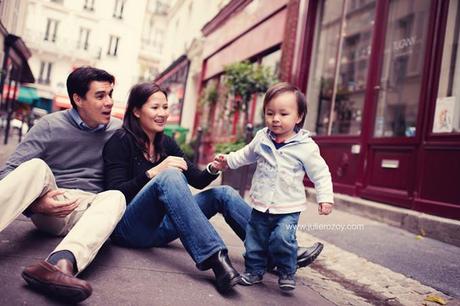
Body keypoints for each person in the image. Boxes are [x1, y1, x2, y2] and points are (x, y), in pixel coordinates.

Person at [103, 82, 324, 293]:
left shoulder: (165, 143)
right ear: (136, 111)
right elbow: (115, 193)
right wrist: (154, 172)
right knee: (169, 176)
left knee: (224, 193)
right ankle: (216, 259)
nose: (162, 113)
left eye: (165, 107)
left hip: (162, 227)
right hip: (130, 229)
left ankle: (280, 253)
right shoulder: (120, 141)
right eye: (155, 107)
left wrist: (214, 167)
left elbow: (197, 180)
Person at [0, 66, 126, 303]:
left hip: (90, 210)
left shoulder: (119, 130)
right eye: (100, 96)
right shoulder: (49, 125)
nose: (109, 102)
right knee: (35, 166)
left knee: (116, 197)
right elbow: (7, 173)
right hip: (52, 203)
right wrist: (37, 206)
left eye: (111, 94)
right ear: (78, 99)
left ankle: (59, 265)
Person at [212, 82, 334, 292]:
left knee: (282, 239)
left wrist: (326, 198)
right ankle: (254, 271)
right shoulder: (262, 138)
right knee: (254, 240)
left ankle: (287, 270)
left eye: (283, 114)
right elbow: (245, 154)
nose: (275, 119)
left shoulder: (305, 146)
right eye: (270, 113)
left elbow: (320, 173)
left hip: (288, 207)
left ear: (299, 116)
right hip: (260, 204)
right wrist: (228, 161)